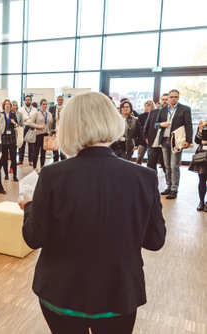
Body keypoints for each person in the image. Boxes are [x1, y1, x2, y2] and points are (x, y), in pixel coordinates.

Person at [19, 92, 166, 333]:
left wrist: (29, 207)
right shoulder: (144, 177)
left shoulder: (52, 176)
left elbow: (33, 238)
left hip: (62, 294)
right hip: (118, 295)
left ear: (69, 127)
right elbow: (155, 240)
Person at [155, 89, 193, 199]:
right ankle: (169, 186)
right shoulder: (162, 110)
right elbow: (156, 124)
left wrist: (188, 141)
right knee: (166, 165)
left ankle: (174, 189)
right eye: (171, 97)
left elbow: (188, 125)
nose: (173, 99)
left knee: (174, 166)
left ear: (178, 97)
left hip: (176, 141)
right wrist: (162, 124)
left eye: (175, 97)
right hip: (165, 140)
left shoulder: (185, 109)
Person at [144, 94, 168, 173]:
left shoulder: (172, 113)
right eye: (163, 99)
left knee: (165, 164)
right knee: (151, 163)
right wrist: (146, 137)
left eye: (166, 99)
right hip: (153, 141)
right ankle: (152, 182)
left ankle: (169, 183)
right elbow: (147, 126)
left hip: (166, 141)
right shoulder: (154, 112)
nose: (164, 101)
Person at [26, 98, 53, 169]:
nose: (45, 105)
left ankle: (42, 167)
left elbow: (50, 125)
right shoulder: (37, 113)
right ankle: (34, 167)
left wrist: (50, 133)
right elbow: (29, 123)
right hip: (38, 135)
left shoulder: (49, 114)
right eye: (43, 104)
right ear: (41, 105)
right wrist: (38, 126)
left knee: (43, 152)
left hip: (46, 135)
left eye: (46, 104)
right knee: (36, 152)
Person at [189, 121, 207, 211]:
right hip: (203, 156)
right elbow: (197, 140)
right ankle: (201, 201)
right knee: (202, 179)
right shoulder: (203, 125)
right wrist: (200, 130)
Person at [0, 99, 18, 181]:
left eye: (9, 104)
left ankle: (15, 175)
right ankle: (6, 174)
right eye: (6, 104)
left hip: (12, 138)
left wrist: (14, 123)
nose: (7, 105)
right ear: (3, 106)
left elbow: (17, 125)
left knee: (13, 158)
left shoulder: (13, 114)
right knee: (4, 157)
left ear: (10, 106)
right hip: (3, 138)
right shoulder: (0, 114)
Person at [18, 95, 35, 165]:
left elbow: (34, 118)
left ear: (31, 101)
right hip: (23, 127)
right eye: (26, 100)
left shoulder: (34, 110)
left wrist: (25, 118)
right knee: (22, 144)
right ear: (24, 101)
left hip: (31, 127)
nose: (27, 101)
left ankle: (31, 160)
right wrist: (28, 117)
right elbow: (20, 118)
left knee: (31, 145)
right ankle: (20, 160)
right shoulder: (21, 109)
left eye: (29, 100)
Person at [50, 96, 65, 162]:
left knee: (62, 150)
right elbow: (51, 121)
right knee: (55, 149)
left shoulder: (65, 110)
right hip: (55, 133)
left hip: (62, 133)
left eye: (61, 100)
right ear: (57, 100)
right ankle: (55, 162)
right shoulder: (52, 109)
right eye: (59, 100)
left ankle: (63, 163)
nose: (60, 101)